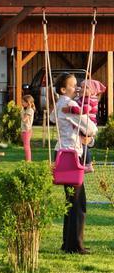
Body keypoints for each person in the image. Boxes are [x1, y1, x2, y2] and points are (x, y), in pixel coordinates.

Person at [54, 73, 96, 254]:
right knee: (78, 201)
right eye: (73, 85)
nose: (77, 87)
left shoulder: (59, 104)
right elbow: (91, 128)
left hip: (63, 152)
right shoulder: (69, 104)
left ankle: (68, 243)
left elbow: (53, 120)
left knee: (71, 200)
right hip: (72, 154)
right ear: (63, 89)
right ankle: (76, 245)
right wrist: (88, 131)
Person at [20, 94, 35, 162]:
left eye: (23, 102)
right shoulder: (27, 110)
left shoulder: (29, 110)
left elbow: (24, 119)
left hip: (27, 130)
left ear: (28, 102)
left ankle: (28, 161)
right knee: (25, 146)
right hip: (24, 130)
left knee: (26, 147)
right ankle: (27, 159)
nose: (22, 103)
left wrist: (22, 112)